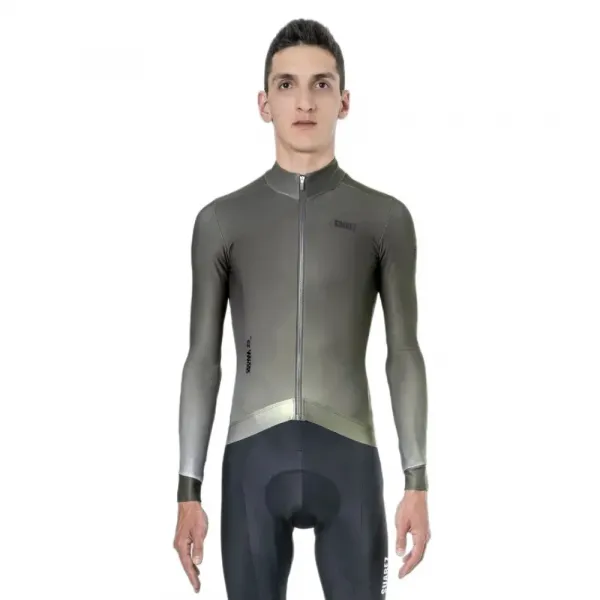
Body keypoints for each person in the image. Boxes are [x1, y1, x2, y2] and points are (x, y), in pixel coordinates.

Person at [172, 18, 432, 599]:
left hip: (350, 459)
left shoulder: (385, 219)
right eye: (287, 85)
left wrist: (417, 481)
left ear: (344, 101)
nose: (305, 102)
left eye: (321, 84)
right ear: (264, 103)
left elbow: (404, 352)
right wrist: (188, 491)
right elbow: (202, 360)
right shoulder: (221, 221)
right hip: (251, 464)